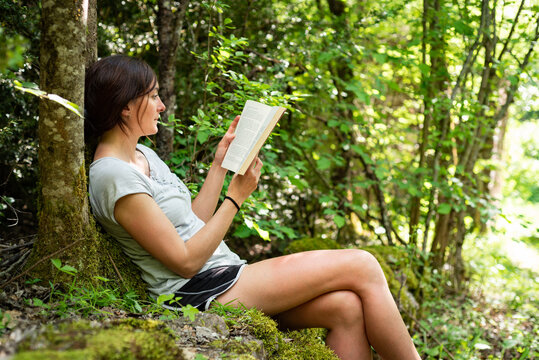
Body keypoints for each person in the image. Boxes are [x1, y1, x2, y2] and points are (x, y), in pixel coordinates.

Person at [85, 54, 421, 360]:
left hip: (222, 276)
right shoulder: (113, 174)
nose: (161, 106)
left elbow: (194, 224)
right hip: (200, 292)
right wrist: (235, 198)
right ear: (125, 106)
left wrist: (219, 166)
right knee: (362, 264)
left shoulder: (144, 155)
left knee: (346, 308)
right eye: (153, 96)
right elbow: (185, 262)